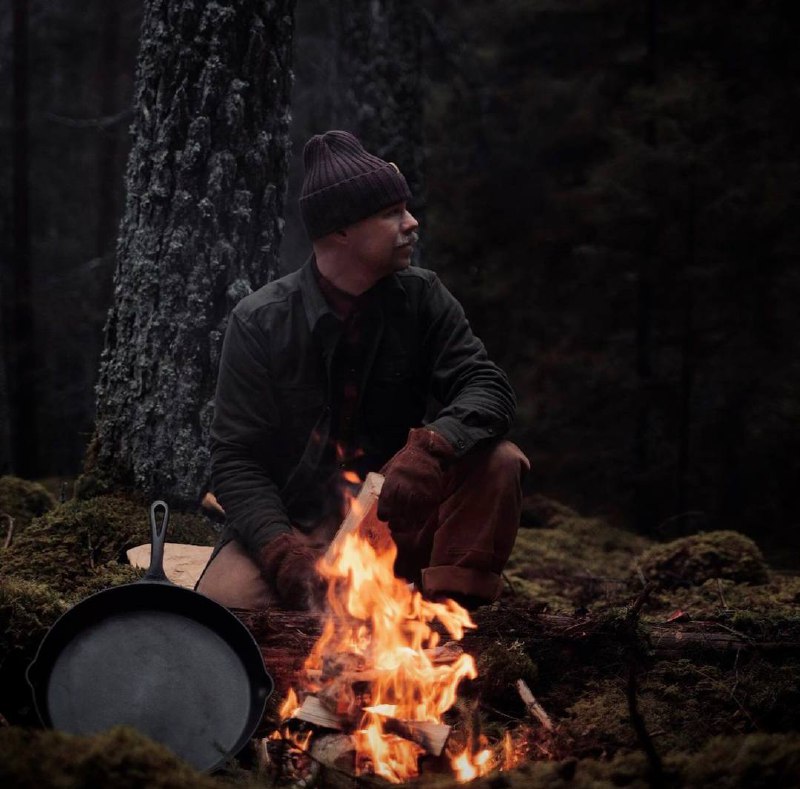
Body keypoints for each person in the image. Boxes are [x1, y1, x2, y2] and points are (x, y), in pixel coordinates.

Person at [196, 130, 529, 611]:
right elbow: (235, 459)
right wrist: (279, 551)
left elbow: (488, 387)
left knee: (501, 461)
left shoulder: (422, 298)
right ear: (341, 231)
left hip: (398, 518)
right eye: (392, 213)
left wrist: (432, 448)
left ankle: (453, 618)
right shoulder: (260, 320)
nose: (412, 224)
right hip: (300, 524)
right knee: (223, 607)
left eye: (406, 209)